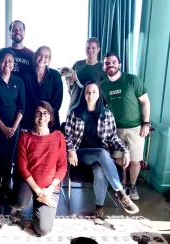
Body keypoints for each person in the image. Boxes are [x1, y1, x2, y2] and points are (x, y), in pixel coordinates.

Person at [64, 81, 139, 224]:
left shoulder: (107, 114)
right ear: (83, 94)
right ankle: (120, 192)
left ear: (99, 94)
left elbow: (112, 137)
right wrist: (71, 150)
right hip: (80, 154)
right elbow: (67, 135)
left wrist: (125, 151)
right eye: (87, 92)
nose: (90, 95)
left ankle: (99, 209)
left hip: (100, 157)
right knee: (102, 153)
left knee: (100, 168)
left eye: (94, 92)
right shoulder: (75, 112)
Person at [10, 101, 67, 236]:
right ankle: (16, 209)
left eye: (45, 113)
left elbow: (62, 166)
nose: (42, 117)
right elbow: (23, 167)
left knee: (43, 230)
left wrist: (50, 189)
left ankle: (39, 207)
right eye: (38, 113)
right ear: (34, 117)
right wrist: (38, 190)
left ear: (51, 116)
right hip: (29, 183)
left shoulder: (59, 136)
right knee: (19, 202)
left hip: (49, 187)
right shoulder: (25, 137)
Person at [101, 52, 151, 200]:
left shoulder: (132, 80)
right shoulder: (103, 85)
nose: (110, 65)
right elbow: (103, 107)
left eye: (113, 62)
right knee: (119, 159)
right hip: (115, 130)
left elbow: (145, 102)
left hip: (135, 128)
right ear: (104, 67)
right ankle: (122, 184)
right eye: (107, 63)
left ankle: (132, 185)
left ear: (119, 64)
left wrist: (146, 123)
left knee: (135, 161)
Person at [0, 48, 25, 200]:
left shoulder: (19, 81)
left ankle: (6, 185)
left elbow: (22, 106)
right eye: (3, 61)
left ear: (14, 64)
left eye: (10, 61)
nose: (6, 64)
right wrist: (3, 127)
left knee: (10, 157)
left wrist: (14, 127)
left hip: (14, 126)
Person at [22, 46, 63, 131]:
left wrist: (44, 118)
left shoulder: (55, 75)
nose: (42, 58)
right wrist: (36, 117)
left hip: (50, 122)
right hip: (29, 121)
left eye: (46, 57)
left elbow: (56, 103)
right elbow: (23, 100)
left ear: (49, 59)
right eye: (40, 55)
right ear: (35, 56)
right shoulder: (25, 75)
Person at [68, 37, 107, 112]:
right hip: (76, 106)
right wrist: (71, 83)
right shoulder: (77, 65)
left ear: (98, 49)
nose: (90, 50)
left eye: (93, 48)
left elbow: (105, 91)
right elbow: (70, 87)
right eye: (88, 48)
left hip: (93, 108)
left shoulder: (102, 68)